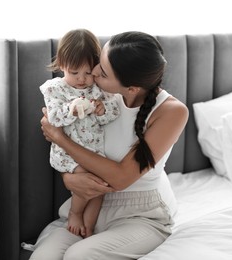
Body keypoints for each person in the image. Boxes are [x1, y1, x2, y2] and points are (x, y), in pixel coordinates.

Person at [31, 31, 189, 259]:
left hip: (142, 214)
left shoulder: (171, 112)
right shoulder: (98, 92)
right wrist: (69, 178)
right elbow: (72, 134)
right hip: (91, 201)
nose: (93, 72)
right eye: (99, 63)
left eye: (102, 71)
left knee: (79, 256)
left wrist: (59, 138)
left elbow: (121, 177)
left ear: (132, 88)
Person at [39, 29, 120, 238]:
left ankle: (89, 227)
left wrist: (103, 110)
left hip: (93, 149)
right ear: (62, 64)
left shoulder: (97, 89)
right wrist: (71, 108)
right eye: (75, 73)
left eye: (88, 73)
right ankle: (75, 213)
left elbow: (113, 112)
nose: (82, 79)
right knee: (89, 181)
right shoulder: (55, 89)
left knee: (100, 188)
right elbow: (54, 118)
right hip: (68, 152)